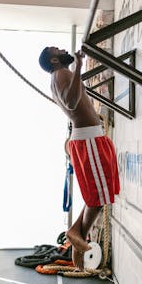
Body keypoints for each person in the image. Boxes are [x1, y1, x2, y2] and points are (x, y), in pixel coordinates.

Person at [39, 46, 120, 270]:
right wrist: (79, 66)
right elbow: (72, 102)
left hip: (91, 138)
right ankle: (77, 235)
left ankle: (77, 234)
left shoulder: (60, 75)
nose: (64, 49)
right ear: (54, 60)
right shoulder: (61, 74)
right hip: (88, 140)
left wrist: (77, 68)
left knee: (100, 194)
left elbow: (72, 97)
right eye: (59, 49)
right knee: (98, 197)